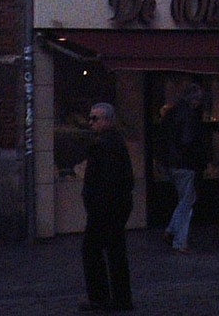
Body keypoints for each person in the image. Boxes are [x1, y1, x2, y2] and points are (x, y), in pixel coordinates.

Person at [78, 102, 134, 311]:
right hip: (110, 207)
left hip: (107, 208)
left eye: (96, 118)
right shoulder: (107, 142)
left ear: (108, 120)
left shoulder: (108, 144)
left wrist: (98, 205)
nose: (91, 122)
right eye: (90, 117)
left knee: (93, 250)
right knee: (114, 250)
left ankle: (102, 298)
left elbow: (111, 180)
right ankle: (120, 298)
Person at [158, 79, 210, 253]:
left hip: (172, 162)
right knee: (187, 201)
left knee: (185, 199)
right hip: (185, 163)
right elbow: (187, 141)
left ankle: (171, 231)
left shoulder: (172, 113)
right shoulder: (189, 115)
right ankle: (179, 240)